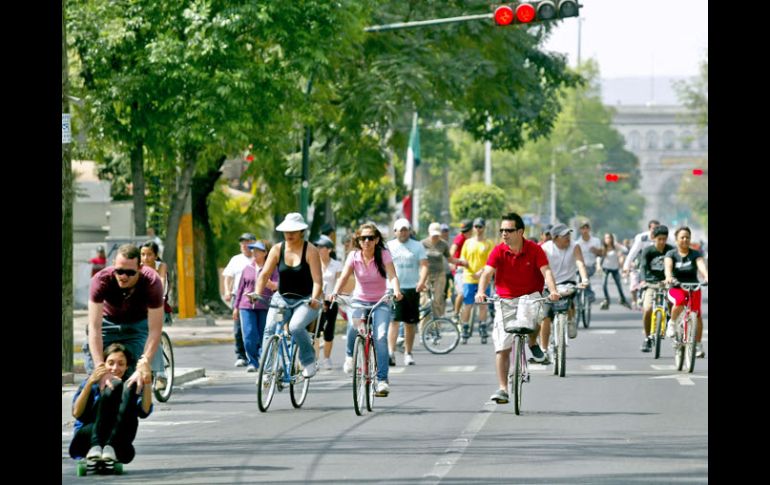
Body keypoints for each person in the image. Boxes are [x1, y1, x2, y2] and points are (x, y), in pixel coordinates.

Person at [476, 213, 560, 403]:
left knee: (534, 315)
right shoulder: (498, 251)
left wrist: (553, 290)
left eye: (509, 230)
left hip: (530, 296)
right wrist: (481, 291)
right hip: (505, 299)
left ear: (520, 231)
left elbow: (546, 271)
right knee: (501, 347)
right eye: (502, 230)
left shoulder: (535, 249)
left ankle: (532, 342)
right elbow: (487, 272)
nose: (504, 234)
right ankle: (503, 388)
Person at [331, 223, 402, 396]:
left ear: (377, 240)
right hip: (359, 301)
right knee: (353, 327)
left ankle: (382, 380)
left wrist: (397, 290)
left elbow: (392, 275)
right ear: (359, 240)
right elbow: (345, 276)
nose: (367, 241)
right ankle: (350, 356)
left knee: (381, 336)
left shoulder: (384, 254)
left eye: (371, 238)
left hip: (381, 302)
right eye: (363, 238)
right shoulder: (354, 256)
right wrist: (335, 292)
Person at [86, 244, 164, 394]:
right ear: (113, 265)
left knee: (136, 384)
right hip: (107, 323)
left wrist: (145, 362)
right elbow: (94, 328)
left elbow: (155, 330)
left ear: (140, 268)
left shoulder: (152, 282)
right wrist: (100, 367)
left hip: (137, 325)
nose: (123, 276)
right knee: (95, 380)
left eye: (129, 272)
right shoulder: (100, 280)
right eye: (119, 271)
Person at [252, 213, 324, 378]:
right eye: (286, 231)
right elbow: (264, 275)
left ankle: (308, 360)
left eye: (293, 230)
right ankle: (267, 372)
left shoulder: (310, 250)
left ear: (301, 231)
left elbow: (318, 281)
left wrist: (314, 298)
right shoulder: (278, 249)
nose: (289, 234)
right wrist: (257, 293)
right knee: (270, 329)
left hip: (306, 301)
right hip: (282, 300)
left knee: (295, 327)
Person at [69, 343, 153, 465]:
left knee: (128, 385)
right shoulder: (92, 382)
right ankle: (96, 445)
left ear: (127, 366)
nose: (115, 368)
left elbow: (144, 411)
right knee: (116, 385)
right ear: (103, 364)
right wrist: (90, 383)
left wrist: (147, 381)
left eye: (121, 364)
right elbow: (77, 413)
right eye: (111, 363)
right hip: (86, 439)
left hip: (118, 442)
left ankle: (110, 445)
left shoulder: (129, 385)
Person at [539, 223, 590, 353]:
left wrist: (584, 279)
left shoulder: (574, 246)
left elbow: (580, 263)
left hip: (568, 283)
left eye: (569, 234)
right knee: (545, 316)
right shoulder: (545, 248)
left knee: (569, 300)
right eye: (564, 235)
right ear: (555, 238)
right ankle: (543, 349)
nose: (568, 237)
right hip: (548, 285)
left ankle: (571, 319)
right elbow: (540, 268)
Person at [387, 218, 428, 366]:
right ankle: (390, 353)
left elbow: (424, 265)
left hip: (411, 288)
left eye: (406, 230)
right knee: (394, 321)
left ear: (409, 231)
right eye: (400, 230)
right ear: (395, 232)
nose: (403, 233)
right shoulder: (389, 246)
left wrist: (421, 281)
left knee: (410, 324)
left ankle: (408, 353)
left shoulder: (417, 246)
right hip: (394, 288)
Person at [232, 240, 278, 372]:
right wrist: (236, 307)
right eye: (253, 250)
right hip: (246, 306)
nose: (254, 253)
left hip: (265, 306)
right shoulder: (247, 268)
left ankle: (264, 360)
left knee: (264, 334)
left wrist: (270, 284)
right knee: (249, 335)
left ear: (265, 253)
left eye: (258, 250)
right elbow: (240, 289)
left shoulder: (272, 269)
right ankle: (253, 362)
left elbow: (277, 285)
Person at [664, 226, 709, 358]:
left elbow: (701, 265)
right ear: (677, 239)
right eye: (682, 237)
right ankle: (672, 324)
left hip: (694, 286)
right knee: (679, 302)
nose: (685, 240)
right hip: (677, 287)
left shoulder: (695, 254)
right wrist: (668, 277)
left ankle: (698, 344)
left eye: (687, 237)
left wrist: (706, 275)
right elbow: (668, 267)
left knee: (697, 315)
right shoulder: (671, 254)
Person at [139, 240, 171, 389]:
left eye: (149, 254)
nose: (145, 258)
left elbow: (161, 283)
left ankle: (160, 374)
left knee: (153, 334)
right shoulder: (136, 268)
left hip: (158, 306)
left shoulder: (161, 267)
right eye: (142, 255)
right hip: (139, 307)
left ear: (156, 255)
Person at [637, 225, 674, 352]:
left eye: (664, 239)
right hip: (651, 284)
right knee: (647, 309)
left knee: (673, 304)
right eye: (659, 239)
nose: (662, 242)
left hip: (668, 283)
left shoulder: (671, 251)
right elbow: (642, 267)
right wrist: (643, 280)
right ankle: (648, 338)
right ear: (654, 238)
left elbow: (676, 266)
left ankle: (671, 322)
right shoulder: (648, 251)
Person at [222, 232, 256, 367]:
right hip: (239, 297)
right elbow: (228, 277)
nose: (244, 245)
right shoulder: (236, 259)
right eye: (242, 242)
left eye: (247, 242)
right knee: (238, 328)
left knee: (254, 327)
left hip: (256, 297)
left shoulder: (258, 258)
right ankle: (241, 356)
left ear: (254, 243)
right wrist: (227, 291)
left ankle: (256, 354)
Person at [459, 218, 495, 341]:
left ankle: (483, 327)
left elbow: (491, 261)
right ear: (473, 228)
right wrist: (463, 263)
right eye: (476, 227)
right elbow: (462, 258)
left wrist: (482, 272)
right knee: (468, 304)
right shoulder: (468, 242)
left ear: (484, 228)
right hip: (469, 277)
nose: (478, 229)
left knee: (483, 304)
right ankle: (464, 327)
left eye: (480, 227)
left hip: (483, 278)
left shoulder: (488, 243)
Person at [421, 222, 466, 321]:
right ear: (429, 233)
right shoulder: (422, 244)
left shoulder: (443, 244)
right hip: (426, 275)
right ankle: (424, 327)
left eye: (437, 235)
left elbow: (450, 259)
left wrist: (461, 262)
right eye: (433, 235)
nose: (435, 237)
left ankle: (436, 325)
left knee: (437, 300)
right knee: (425, 302)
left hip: (439, 275)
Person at [314, 236, 342, 370]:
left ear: (329, 249)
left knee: (329, 331)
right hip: (316, 300)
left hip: (331, 300)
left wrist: (333, 295)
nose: (318, 249)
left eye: (321, 247)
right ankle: (314, 359)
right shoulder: (314, 262)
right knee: (315, 331)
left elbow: (338, 281)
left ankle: (326, 358)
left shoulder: (336, 265)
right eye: (317, 247)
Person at [623, 220, 660, 310]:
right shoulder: (642, 237)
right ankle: (638, 298)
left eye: (658, 229)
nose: (656, 231)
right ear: (649, 229)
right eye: (653, 228)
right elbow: (633, 252)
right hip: (640, 263)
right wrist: (626, 266)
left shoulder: (662, 237)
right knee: (637, 281)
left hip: (656, 265)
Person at [599, 233, 631, 310]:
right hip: (605, 268)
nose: (608, 240)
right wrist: (598, 266)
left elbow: (625, 250)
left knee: (618, 285)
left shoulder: (615, 247)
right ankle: (607, 299)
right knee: (603, 284)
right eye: (606, 238)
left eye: (609, 238)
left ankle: (622, 299)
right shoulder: (603, 247)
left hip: (615, 268)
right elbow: (599, 257)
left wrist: (616, 244)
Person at [449, 219, 474, 318]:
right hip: (460, 267)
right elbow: (453, 249)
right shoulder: (460, 238)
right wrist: (453, 260)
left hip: (471, 268)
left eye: (466, 231)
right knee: (462, 293)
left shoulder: (473, 239)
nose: (465, 233)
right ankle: (455, 313)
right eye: (463, 231)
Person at [576, 221, 602, 303]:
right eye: (583, 228)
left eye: (587, 228)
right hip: (579, 267)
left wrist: (596, 251)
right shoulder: (577, 243)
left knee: (584, 274)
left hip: (591, 266)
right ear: (580, 230)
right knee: (577, 277)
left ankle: (589, 293)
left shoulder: (596, 241)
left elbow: (601, 254)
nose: (585, 230)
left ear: (589, 229)